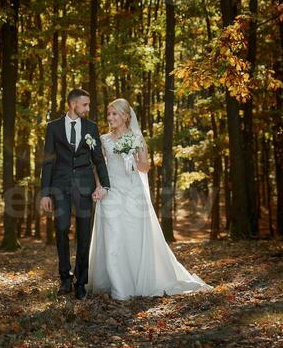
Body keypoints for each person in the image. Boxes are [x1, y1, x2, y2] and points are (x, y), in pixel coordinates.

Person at [88, 98, 213, 300]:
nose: (110, 118)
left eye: (114, 114)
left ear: (125, 116)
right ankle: (118, 286)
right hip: (111, 191)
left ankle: (135, 281)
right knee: (113, 235)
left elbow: (144, 167)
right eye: (109, 114)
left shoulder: (137, 138)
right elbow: (98, 168)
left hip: (132, 191)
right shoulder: (103, 140)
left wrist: (135, 158)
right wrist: (99, 187)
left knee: (133, 235)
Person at [39, 88, 110, 299]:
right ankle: (65, 279)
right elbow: (48, 161)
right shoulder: (53, 128)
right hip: (59, 187)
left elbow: (98, 158)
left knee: (84, 234)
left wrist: (105, 186)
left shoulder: (91, 127)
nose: (88, 109)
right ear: (73, 105)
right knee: (61, 229)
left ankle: (81, 282)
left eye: (88, 105)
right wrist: (45, 193)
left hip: (85, 186)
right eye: (85, 105)